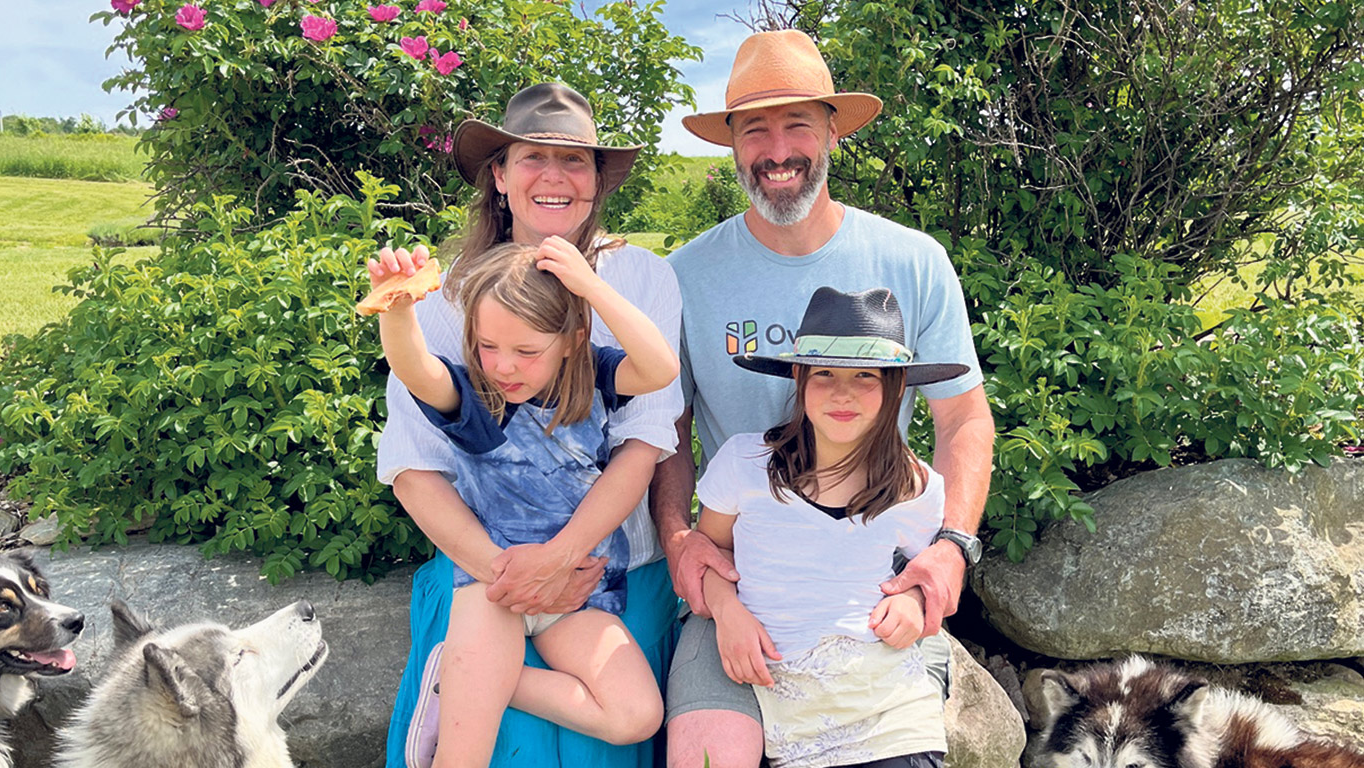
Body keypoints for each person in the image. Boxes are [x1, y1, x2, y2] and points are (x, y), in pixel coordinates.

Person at [650, 30, 997, 767]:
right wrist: (683, 542)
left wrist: (951, 548)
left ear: (834, 130)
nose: (777, 150)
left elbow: (963, 415)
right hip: (734, 591)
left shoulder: (913, 260)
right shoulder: (684, 276)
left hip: (871, 580)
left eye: (798, 124)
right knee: (708, 750)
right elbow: (665, 427)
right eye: (755, 130)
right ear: (732, 146)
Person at [379, 82, 684, 768]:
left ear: (598, 181)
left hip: (601, 576)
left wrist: (562, 560)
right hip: (488, 574)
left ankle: (466, 677)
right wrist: (511, 573)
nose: (553, 176)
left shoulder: (637, 285)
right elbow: (413, 458)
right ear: (499, 174)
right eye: (531, 157)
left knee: (630, 717)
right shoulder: (450, 304)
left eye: (574, 160)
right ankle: (465, 679)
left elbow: (647, 435)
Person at [701, 286, 967, 768]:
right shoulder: (744, 462)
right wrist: (726, 610)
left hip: (889, 708)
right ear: (799, 379)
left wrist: (911, 600)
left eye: (865, 375)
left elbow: (923, 575)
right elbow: (707, 552)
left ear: (894, 387)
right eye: (824, 373)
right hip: (785, 697)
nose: (843, 393)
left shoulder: (917, 487)